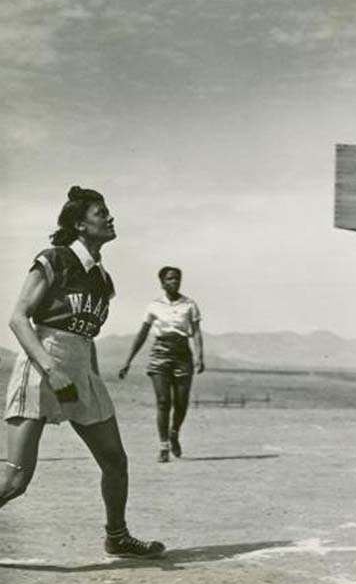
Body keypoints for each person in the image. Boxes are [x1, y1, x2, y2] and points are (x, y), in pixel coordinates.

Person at [2, 186, 165, 558]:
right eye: (100, 213)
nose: (109, 218)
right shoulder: (54, 258)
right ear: (79, 224)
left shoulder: (102, 279)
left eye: (108, 212)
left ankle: (117, 537)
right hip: (43, 363)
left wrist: (89, 382)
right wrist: (50, 369)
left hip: (81, 367)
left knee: (115, 461)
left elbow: (86, 337)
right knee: (15, 479)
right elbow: (17, 318)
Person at [118, 267, 205, 462]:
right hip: (160, 353)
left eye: (177, 279)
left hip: (183, 353)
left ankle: (174, 432)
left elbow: (197, 332)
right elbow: (142, 333)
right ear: (162, 283)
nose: (174, 282)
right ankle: (163, 446)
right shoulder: (153, 305)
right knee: (164, 401)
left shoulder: (190, 304)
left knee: (181, 402)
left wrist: (200, 356)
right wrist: (128, 361)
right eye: (170, 279)